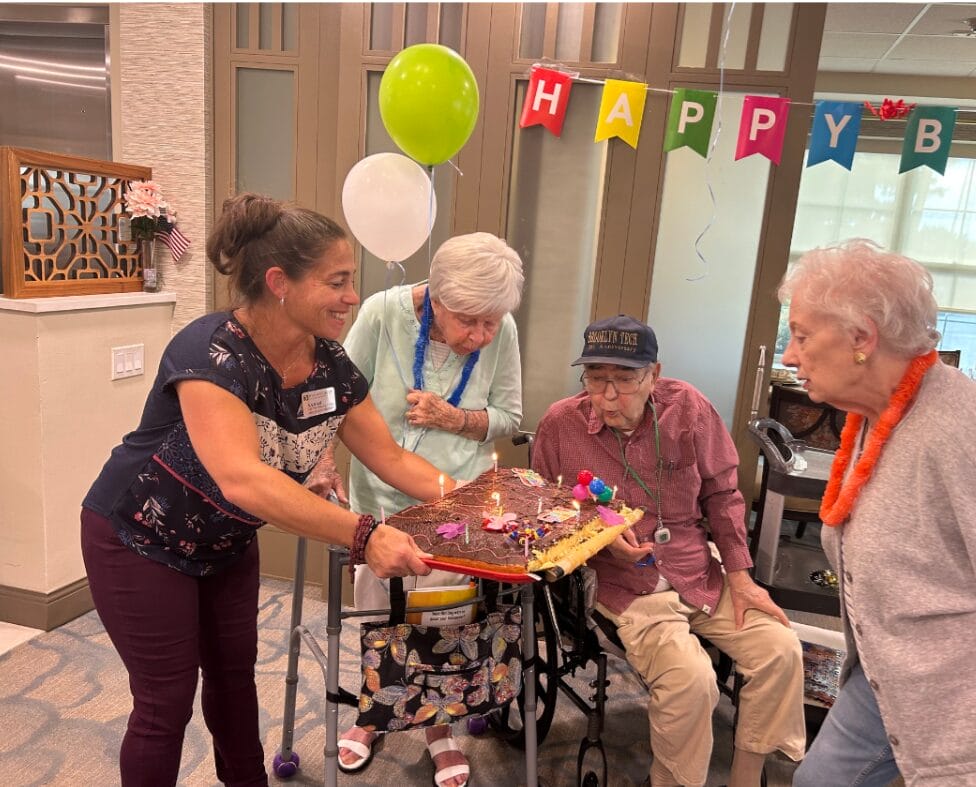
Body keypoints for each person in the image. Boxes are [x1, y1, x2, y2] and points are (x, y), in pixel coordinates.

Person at [80, 193, 455, 787]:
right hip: (136, 538)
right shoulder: (210, 353)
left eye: (351, 280)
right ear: (280, 282)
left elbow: (390, 457)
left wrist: (481, 497)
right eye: (337, 281)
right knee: (166, 702)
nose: (352, 297)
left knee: (234, 681)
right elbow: (243, 478)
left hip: (224, 543)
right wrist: (365, 534)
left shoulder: (330, 365)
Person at [780, 239, 976, 786]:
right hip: (888, 670)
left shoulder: (963, 432)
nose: (789, 356)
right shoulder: (873, 416)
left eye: (801, 336)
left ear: (862, 337)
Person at [531, 315, 806, 787]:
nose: (608, 396)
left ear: (654, 375)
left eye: (624, 379)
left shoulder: (689, 409)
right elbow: (545, 513)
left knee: (781, 649)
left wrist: (741, 577)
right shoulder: (561, 424)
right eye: (596, 379)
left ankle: (746, 776)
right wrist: (597, 541)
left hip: (696, 570)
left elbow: (722, 494)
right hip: (625, 585)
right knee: (691, 678)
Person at [330, 232, 524, 786]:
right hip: (379, 496)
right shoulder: (382, 313)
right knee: (379, 612)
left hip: (455, 498)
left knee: (448, 615)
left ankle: (440, 726)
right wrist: (321, 462)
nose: (481, 335)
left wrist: (455, 419)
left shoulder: (498, 327)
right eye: (470, 321)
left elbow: (509, 414)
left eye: (491, 323)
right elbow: (337, 395)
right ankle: (374, 714)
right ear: (435, 296)